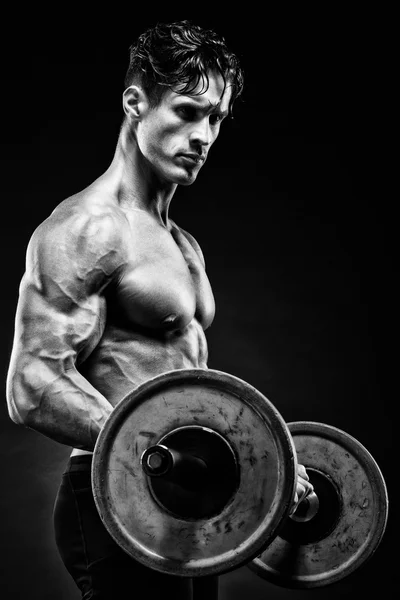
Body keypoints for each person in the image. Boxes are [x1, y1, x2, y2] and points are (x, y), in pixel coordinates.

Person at [6, 20, 312, 600]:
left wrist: (265, 458)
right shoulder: (91, 227)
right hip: (118, 488)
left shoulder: (182, 245)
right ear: (135, 102)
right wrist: (157, 448)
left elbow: (184, 390)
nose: (204, 136)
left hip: (187, 495)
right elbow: (31, 383)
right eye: (189, 111)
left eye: (216, 119)